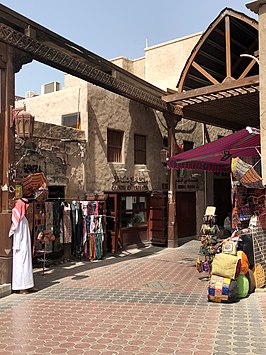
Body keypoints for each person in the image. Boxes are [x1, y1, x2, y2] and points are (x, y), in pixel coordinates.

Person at [9, 198, 35, 294]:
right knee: (21, 265)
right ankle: (21, 287)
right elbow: (15, 231)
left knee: (27, 264)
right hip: (19, 246)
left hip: (25, 246)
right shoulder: (17, 218)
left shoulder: (23, 218)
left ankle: (28, 285)